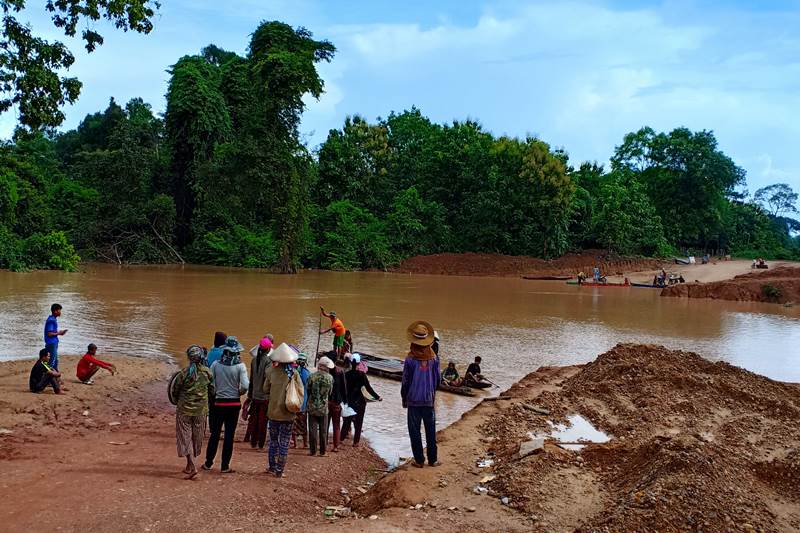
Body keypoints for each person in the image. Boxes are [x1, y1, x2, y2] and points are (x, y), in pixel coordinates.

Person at [203, 336, 248, 473]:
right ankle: (224, 466)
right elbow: (245, 385)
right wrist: (238, 392)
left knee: (215, 434)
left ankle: (208, 463)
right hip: (233, 404)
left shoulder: (216, 364)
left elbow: (211, 383)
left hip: (218, 403)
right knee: (229, 435)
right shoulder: (241, 366)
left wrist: (217, 392)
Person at [401, 320, 441, 468]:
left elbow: (405, 381)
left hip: (413, 400)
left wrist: (404, 398)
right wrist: (432, 394)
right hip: (429, 400)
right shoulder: (434, 358)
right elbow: (438, 380)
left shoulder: (410, 359)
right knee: (431, 430)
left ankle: (419, 460)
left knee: (414, 431)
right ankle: (433, 459)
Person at [171, 345, 213, 480]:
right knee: (197, 437)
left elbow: (174, 391)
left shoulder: (183, 373)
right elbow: (213, 391)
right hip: (201, 411)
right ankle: (191, 464)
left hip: (184, 410)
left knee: (185, 437)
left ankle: (191, 465)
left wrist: (179, 401)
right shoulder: (207, 372)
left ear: (189, 358)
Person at [263, 343, 299, 478]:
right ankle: (280, 470)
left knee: (273, 441)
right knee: (284, 442)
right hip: (288, 414)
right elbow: (300, 392)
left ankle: (272, 467)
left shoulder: (271, 372)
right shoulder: (294, 374)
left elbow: (265, 389)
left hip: (273, 413)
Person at [341, 353, 381, 447]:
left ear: (351, 362)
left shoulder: (346, 374)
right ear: (359, 363)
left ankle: (341, 439)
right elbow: (368, 388)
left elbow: (343, 388)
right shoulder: (362, 375)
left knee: (347, 421)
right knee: (359, 423)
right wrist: (377, 397)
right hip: (360, 402)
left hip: (350, 401)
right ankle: (356, 442)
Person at [244, 336, 272, 449]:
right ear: (268, 350)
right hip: (264, 397)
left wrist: (249, 395)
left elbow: (251, 380)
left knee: (254, 420)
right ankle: (261, 443)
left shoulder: (254, 360)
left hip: (255, 395)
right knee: (263, 421)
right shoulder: (268, 361)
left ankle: (253, 442)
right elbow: (268, 379)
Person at [307, 356, 334, 456]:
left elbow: (308, 390)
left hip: (312, 406)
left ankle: (313, 451)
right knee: (323, 431)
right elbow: (330, 392)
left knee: (312, 430)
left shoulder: (312, 376)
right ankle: (322, 452)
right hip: (323, 407)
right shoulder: (330, 378)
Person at [291, 353, 311, 449]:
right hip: (303, 403)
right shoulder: (307, 373)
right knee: (303, 424)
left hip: (293, 402)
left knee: (294, 424)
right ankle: (305, 444)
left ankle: (295, 444)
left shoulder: (292, 372)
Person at [327, 357, 347, 452]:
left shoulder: (326, 371)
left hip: (327, 401)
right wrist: (345, 401)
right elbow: (344, 389)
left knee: (325, 424)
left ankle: (324, 443)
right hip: (337, 402)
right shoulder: (340, 372)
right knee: (336, 425)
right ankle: (335, 446)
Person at [44, 303, 67, 372]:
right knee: (52, 361)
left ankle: (55, 377)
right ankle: (49, 378)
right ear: (55, 311)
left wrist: (59, 332)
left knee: (55, 360)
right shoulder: (51, 320)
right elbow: (49, 334)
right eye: (59, 310)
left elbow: (51, 332)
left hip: (52, 342)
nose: (60, 312)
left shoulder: (52, 319)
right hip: (51, 343)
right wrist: (59, 333)